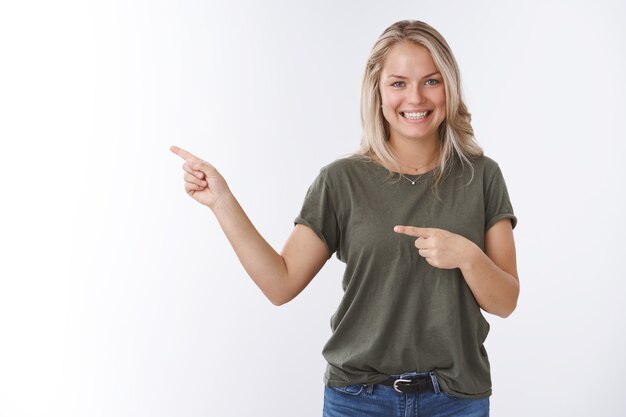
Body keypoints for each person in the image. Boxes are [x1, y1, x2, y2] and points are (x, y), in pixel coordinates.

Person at [171, 19, 518, 417]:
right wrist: (222, 202)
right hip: (359, 401)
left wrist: (467, 256)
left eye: (431, 81)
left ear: (449, 87)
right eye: (399, 83)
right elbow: (280, 284)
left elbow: (506, 302)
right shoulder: (341, 181)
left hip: (455, 401)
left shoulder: (482, 176)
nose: (416, 98)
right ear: (378, 91)